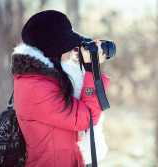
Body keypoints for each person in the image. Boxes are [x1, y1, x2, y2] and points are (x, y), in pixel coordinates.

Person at [10, 10, 111, 167]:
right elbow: (87, 118)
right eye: (68, 45)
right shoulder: (36, 87)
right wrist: (92, 70)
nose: (72, 50)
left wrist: (85, 66)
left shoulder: (42, 78)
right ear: (53, 50)